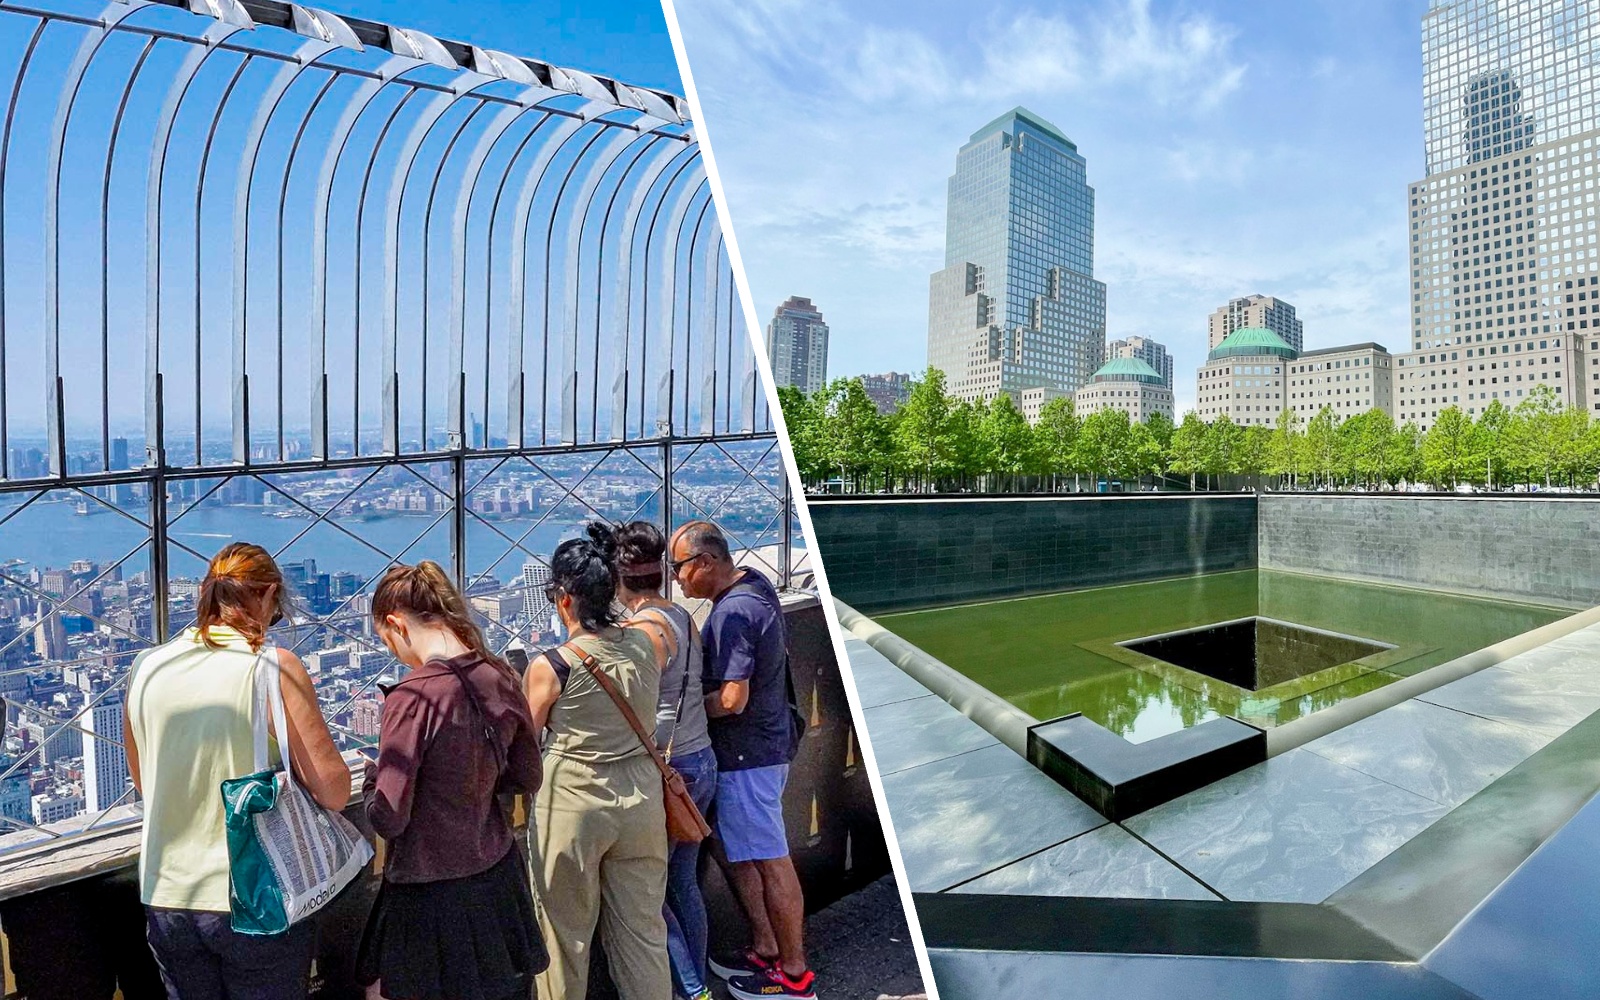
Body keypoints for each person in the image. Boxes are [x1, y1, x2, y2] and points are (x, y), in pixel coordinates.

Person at [124, 542, 351, 1000]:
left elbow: (144, 780)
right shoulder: (271, 668)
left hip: (167, 894)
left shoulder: (145, 667)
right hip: (253, 896)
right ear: (268, 596)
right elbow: (333, 790)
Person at [357, 561, 547, 1000]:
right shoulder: (498, 674)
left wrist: (371, 779)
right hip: (497, 878)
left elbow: (389, 817)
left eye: (387, 640)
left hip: (429, 893)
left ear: (395, 623)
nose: (394, 652)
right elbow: (528, 775)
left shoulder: (413, 697)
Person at [524, 523, 672, 1000]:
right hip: (642, 797)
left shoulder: (553, 665)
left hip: (572, 800)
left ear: (564, 598)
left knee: (563, 938)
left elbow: (522, 744)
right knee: (643, 933)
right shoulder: (647, 643)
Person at [669, 522, 815, 1000]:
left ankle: (794, 977)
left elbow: (732, 698)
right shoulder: (754, 586)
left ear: (707, 562)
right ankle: (767, 947)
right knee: (745, 854)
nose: (677, 580)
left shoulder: (734, 612)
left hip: (748, 753)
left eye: (680, 568)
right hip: (761, 747)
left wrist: (684, 711)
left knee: (772, 860)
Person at [613, 521, 717, 1000]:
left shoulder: (643, 631)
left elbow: (636, 705)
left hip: (668, 772)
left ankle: (689, 989)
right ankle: (696, 984)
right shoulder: (680, 615)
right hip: (700, 760)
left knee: (651, 895)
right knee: (682, 886)